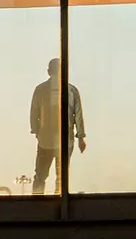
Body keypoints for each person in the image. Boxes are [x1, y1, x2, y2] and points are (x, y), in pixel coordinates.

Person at [28, 58, 86, 194]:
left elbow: (34, 113)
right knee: (61, 177)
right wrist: (81, 137)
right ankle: (59, 202)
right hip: (66, 139)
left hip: (45, 139)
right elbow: (78, 115)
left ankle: (37, 202)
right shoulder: (72, 90)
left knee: (40, 176)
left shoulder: (40, 89)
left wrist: (36, 131)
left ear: (49, 71)